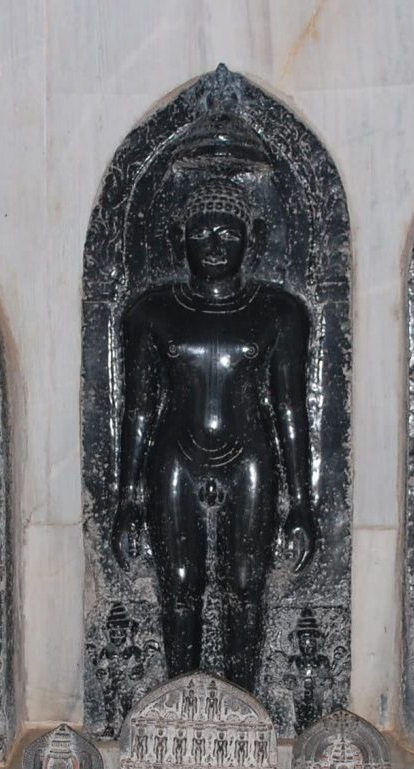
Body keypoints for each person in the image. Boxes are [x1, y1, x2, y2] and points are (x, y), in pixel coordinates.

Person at [112, 179, 316, 691]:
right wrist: (127, 497)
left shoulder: (280, 312)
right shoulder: (150, 313)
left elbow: (290, 410)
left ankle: (242, 701)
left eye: (229, 234)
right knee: (180, 587)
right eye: (202, 234)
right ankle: (181, 699)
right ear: (179, 239)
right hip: (173, 458)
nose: (215, 246)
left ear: (253, 240)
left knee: (245, 587)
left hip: (250, 458)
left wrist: (301, 502)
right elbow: (137, 410)